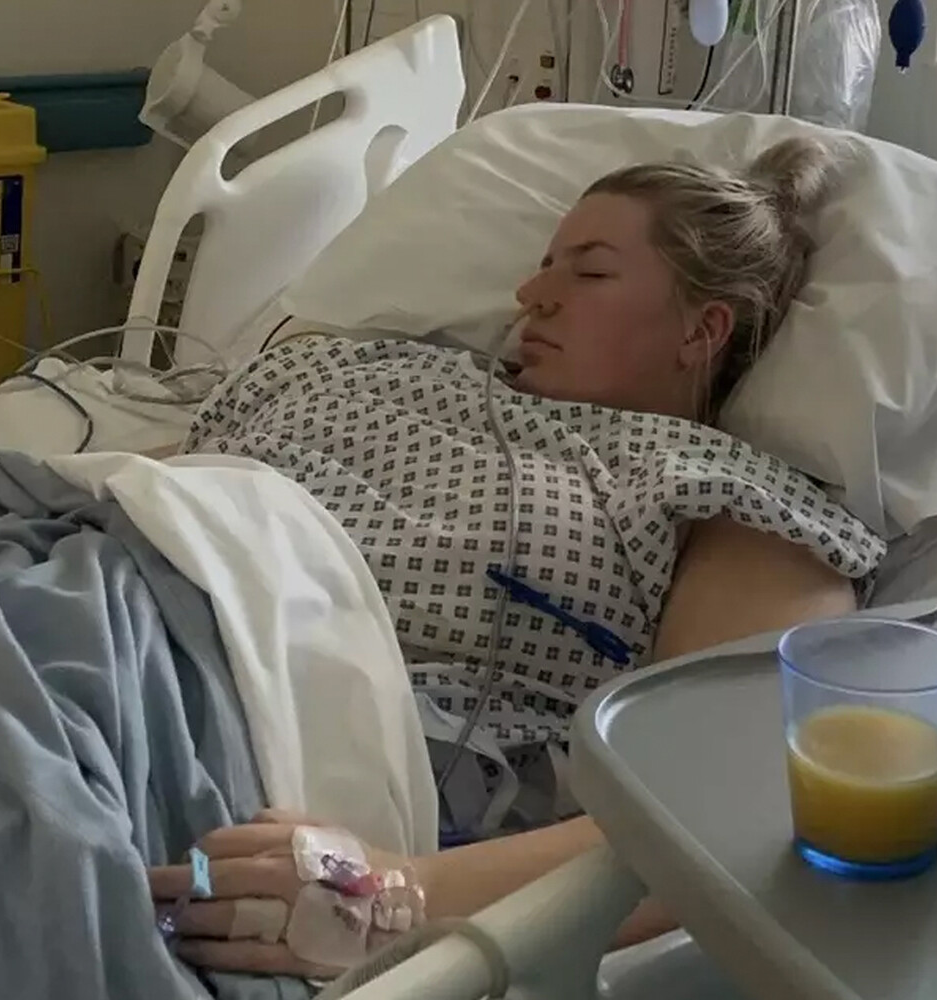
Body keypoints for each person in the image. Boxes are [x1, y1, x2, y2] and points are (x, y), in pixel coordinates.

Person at [154, 136, 886, 978]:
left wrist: (395, 893)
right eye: (543, 266)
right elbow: (134, 493)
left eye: (591, 271)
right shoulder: (348, 364)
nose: (531, 294)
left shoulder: (726, 496)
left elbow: (729, 800)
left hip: (233, 710)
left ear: (702, 329)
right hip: (112, 582)